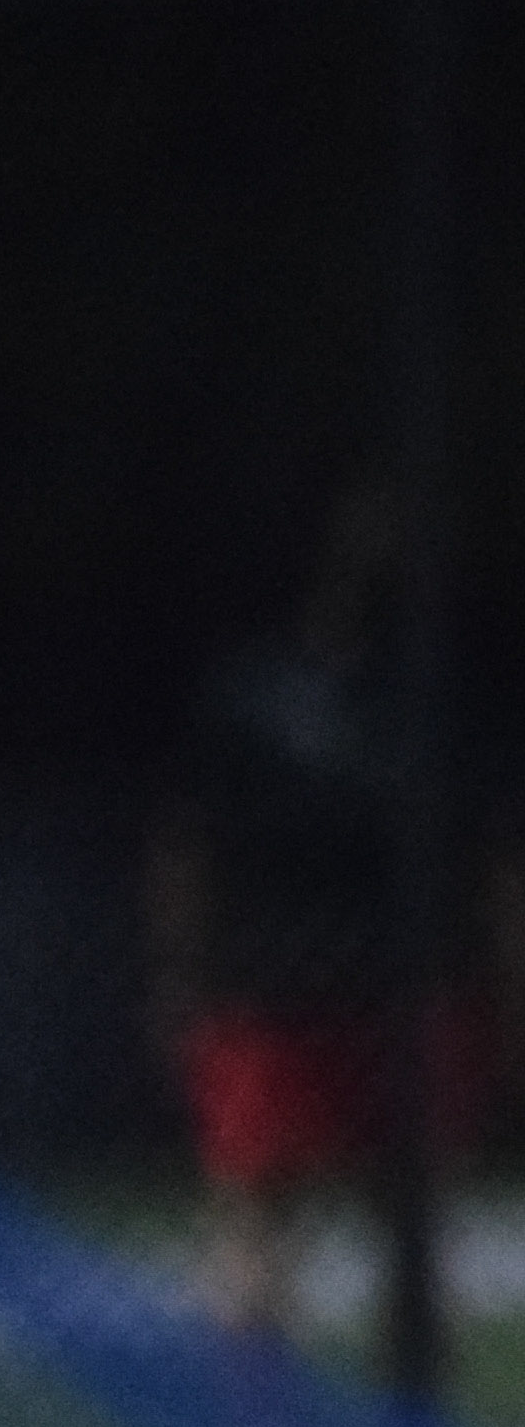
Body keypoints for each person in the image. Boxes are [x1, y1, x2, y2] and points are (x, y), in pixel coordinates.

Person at [148, 485, 517, 1367]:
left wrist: (178, 976)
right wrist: (507, 993)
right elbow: (498, 868)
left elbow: (187, 854)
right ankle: (406, 1425)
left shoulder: (248, 698)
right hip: (397, 989)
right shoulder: (435, 706)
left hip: (275, 987)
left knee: (257, 1225)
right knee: (409, 1237)